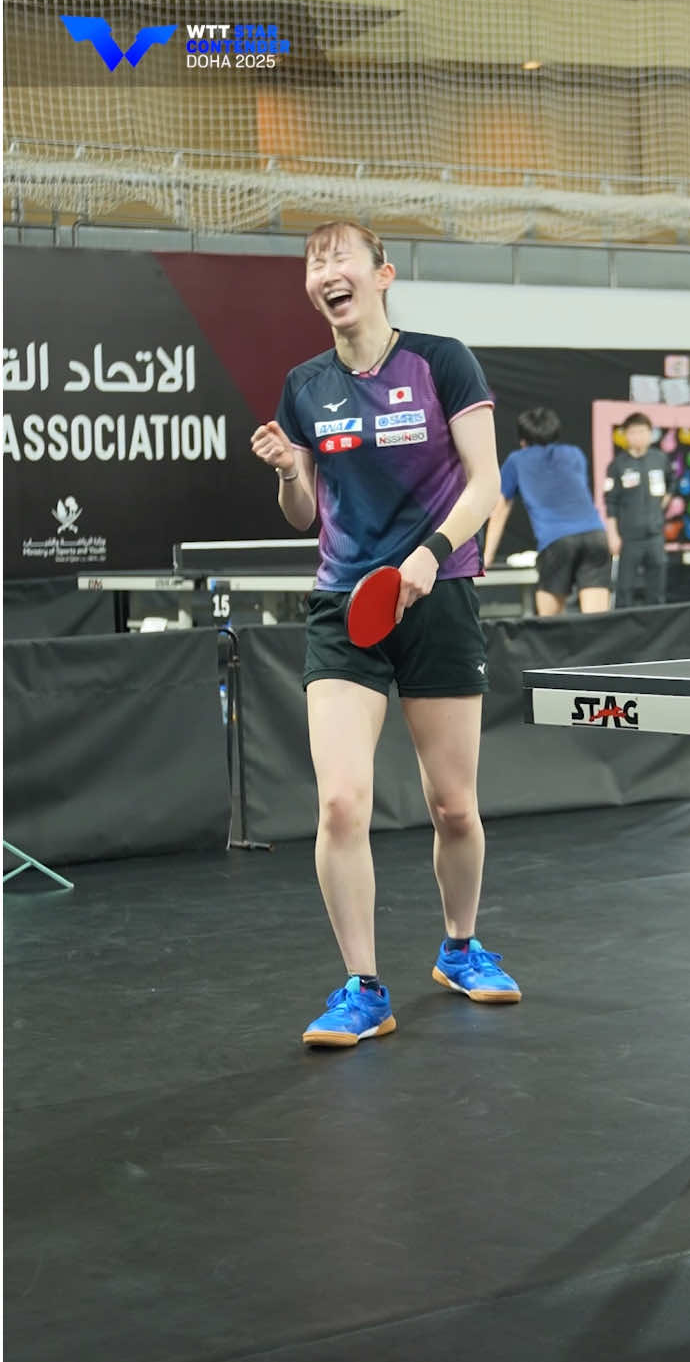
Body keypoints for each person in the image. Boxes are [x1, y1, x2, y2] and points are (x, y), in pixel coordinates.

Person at [250, 218, 521, 1050]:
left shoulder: (441, 360)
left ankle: (460, 946)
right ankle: (363, 986)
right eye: (313, 262)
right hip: (345, 604)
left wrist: (430, 556)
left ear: (383, 274)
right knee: (339, 803)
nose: (326, 271)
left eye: (340, 258)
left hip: (437, 595)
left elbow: (485, 484)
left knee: (454, 808)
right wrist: (294, 473)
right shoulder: (304, 385)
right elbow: (304, 516)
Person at [482, 407, 611, 615]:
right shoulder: (574, 454)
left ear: (522, 438)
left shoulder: (517, 460)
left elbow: (499, 511)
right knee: (597, 623)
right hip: (596, 536)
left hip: (557, 542)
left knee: (550, 626)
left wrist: (486, 558)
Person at [604, 412, 672, 608]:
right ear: (625, 435)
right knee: (624, 589)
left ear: (651, 434)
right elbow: (610, 501)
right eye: (633, 432)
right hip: (629, 537)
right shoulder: (617, 465)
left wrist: (663, 503)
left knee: (657, 588)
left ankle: (657, 630)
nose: (638, 436)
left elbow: (671, 482)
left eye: (642, 431)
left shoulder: (660, 460)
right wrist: (613, 534)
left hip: (655, 535)